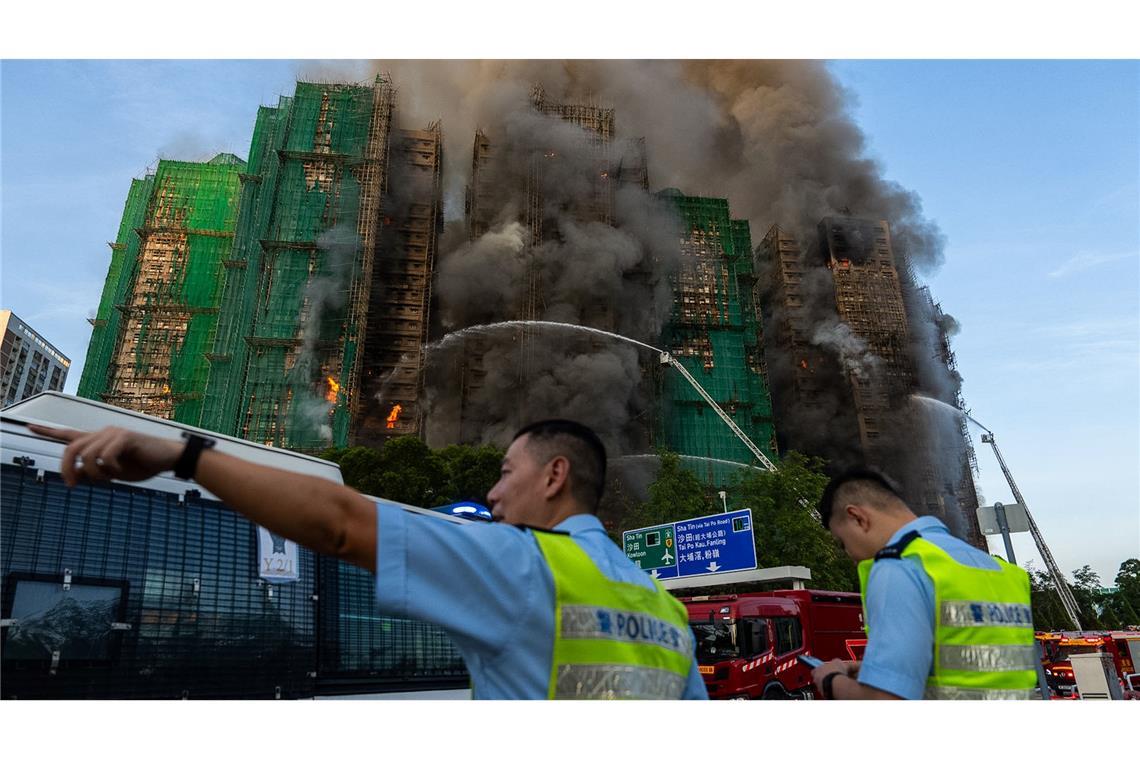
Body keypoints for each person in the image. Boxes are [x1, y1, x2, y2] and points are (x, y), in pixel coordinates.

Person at [29, 417, 707, 700]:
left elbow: (339, 523)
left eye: (505, 472)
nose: (492, 493)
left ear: (555, 476)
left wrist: (182, 456)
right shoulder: (666, 610)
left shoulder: (522, 562)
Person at [809, 467, 1037, 700]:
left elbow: (885, 701)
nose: (849, 554)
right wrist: (881, 672)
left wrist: (830, 680)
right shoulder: (1005, 572)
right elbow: (977, 666)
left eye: (842, 542)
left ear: (858, 518)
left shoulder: (900, 567)